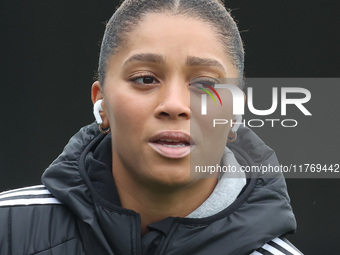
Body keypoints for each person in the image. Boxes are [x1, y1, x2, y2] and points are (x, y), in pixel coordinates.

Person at [0, 0, 303, 254]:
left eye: (205, 84)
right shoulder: (9, 231)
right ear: (101, 103)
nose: (174, 104)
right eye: (146, 79)